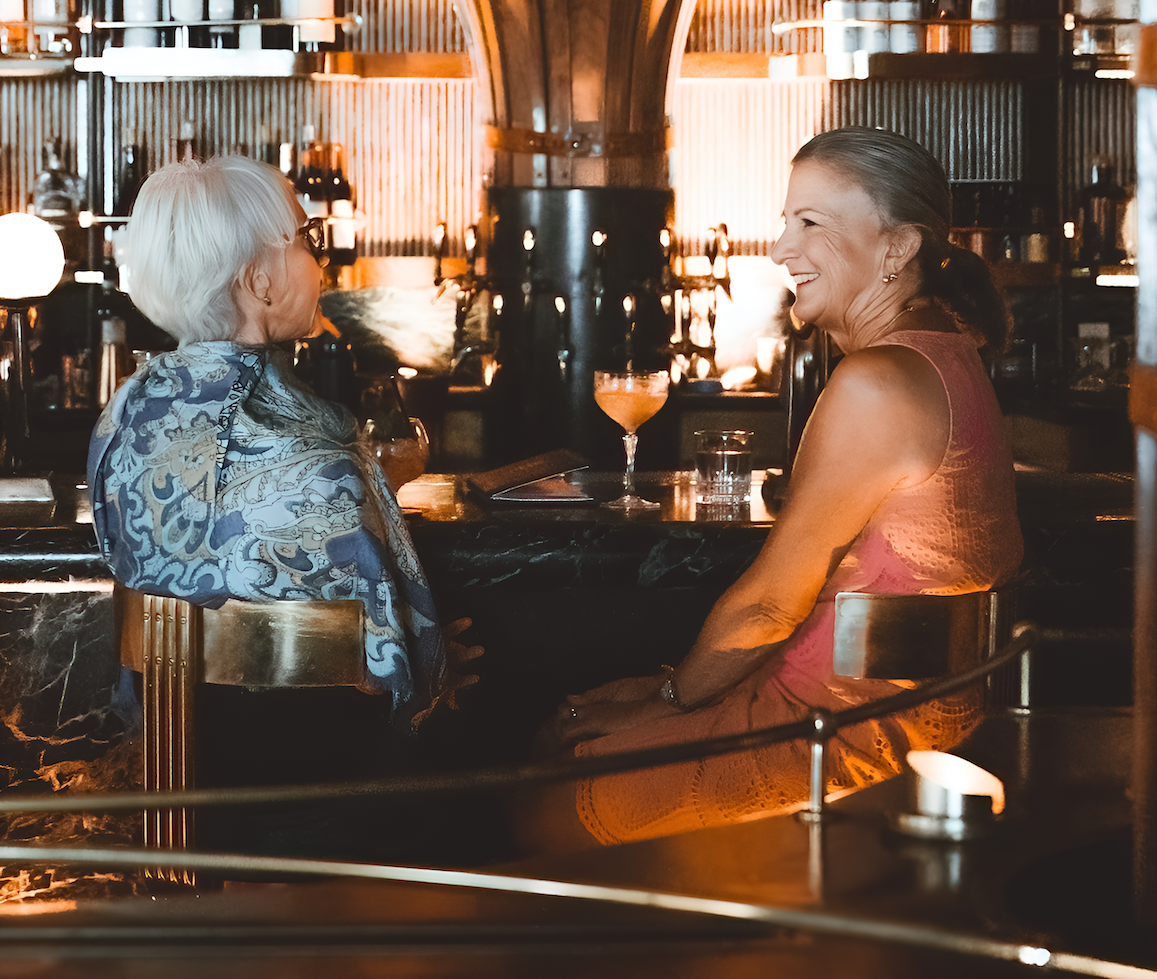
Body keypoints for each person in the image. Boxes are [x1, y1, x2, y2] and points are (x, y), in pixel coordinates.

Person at [529, 126, 1023, 848]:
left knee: (539, 798)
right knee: (571, 729)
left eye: (810, 223)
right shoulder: (947, 355)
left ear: (897, 248)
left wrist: (665, 701)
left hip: (843, 726)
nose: (780, 248)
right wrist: (668, 693)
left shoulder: (879, 382)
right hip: (919, 707)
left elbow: (768, 606)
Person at [88, 155, 478, 726]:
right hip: (302, 786)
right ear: (258, 279)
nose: (320, 260)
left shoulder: (124, 413)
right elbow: (388, 678)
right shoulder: (321, 466)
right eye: (307, 239)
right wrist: (429, 660)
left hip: (165, 770)